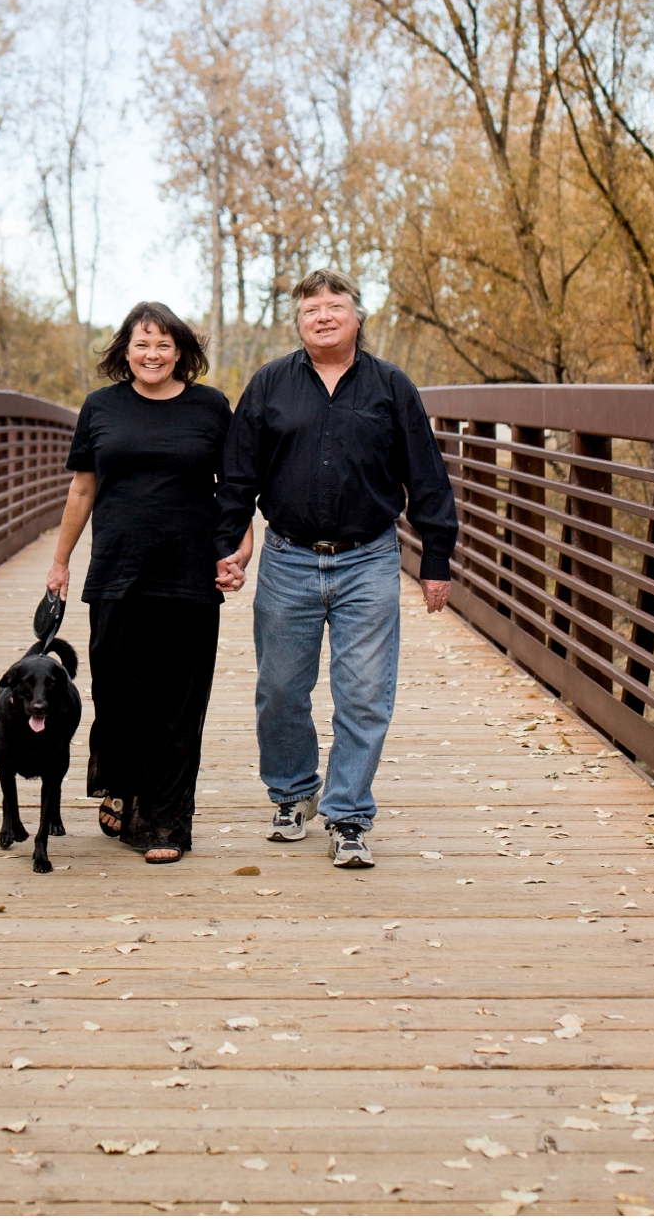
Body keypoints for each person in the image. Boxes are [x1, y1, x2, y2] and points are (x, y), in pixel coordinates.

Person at [214, 268, 458, 870]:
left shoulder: (391, 387)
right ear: (299, 323)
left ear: (357, 316)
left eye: (335, 306)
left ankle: (348, 814)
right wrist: (229, 549)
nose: (323, 316)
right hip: (288, 557)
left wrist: (436, 558)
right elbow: (238, 475)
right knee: (279, 690)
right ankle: (294, 793)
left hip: (369, 558)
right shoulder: (269, 384)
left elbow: (425, 474)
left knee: (365, 694)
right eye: (311, 310)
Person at [46, 302, 247, 864]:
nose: (152, 355)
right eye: (142, 345)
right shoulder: (100, 408)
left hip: (188, 574)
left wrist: (239, 549)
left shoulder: (211, 408)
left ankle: (165, 821)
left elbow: (232, 491)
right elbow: (82, 491)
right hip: (116, 571)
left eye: (163, 345)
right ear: (125, 351)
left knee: (179, 701)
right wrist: (61, 562)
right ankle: (121, 783)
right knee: (116, 694)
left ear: (180, 350)